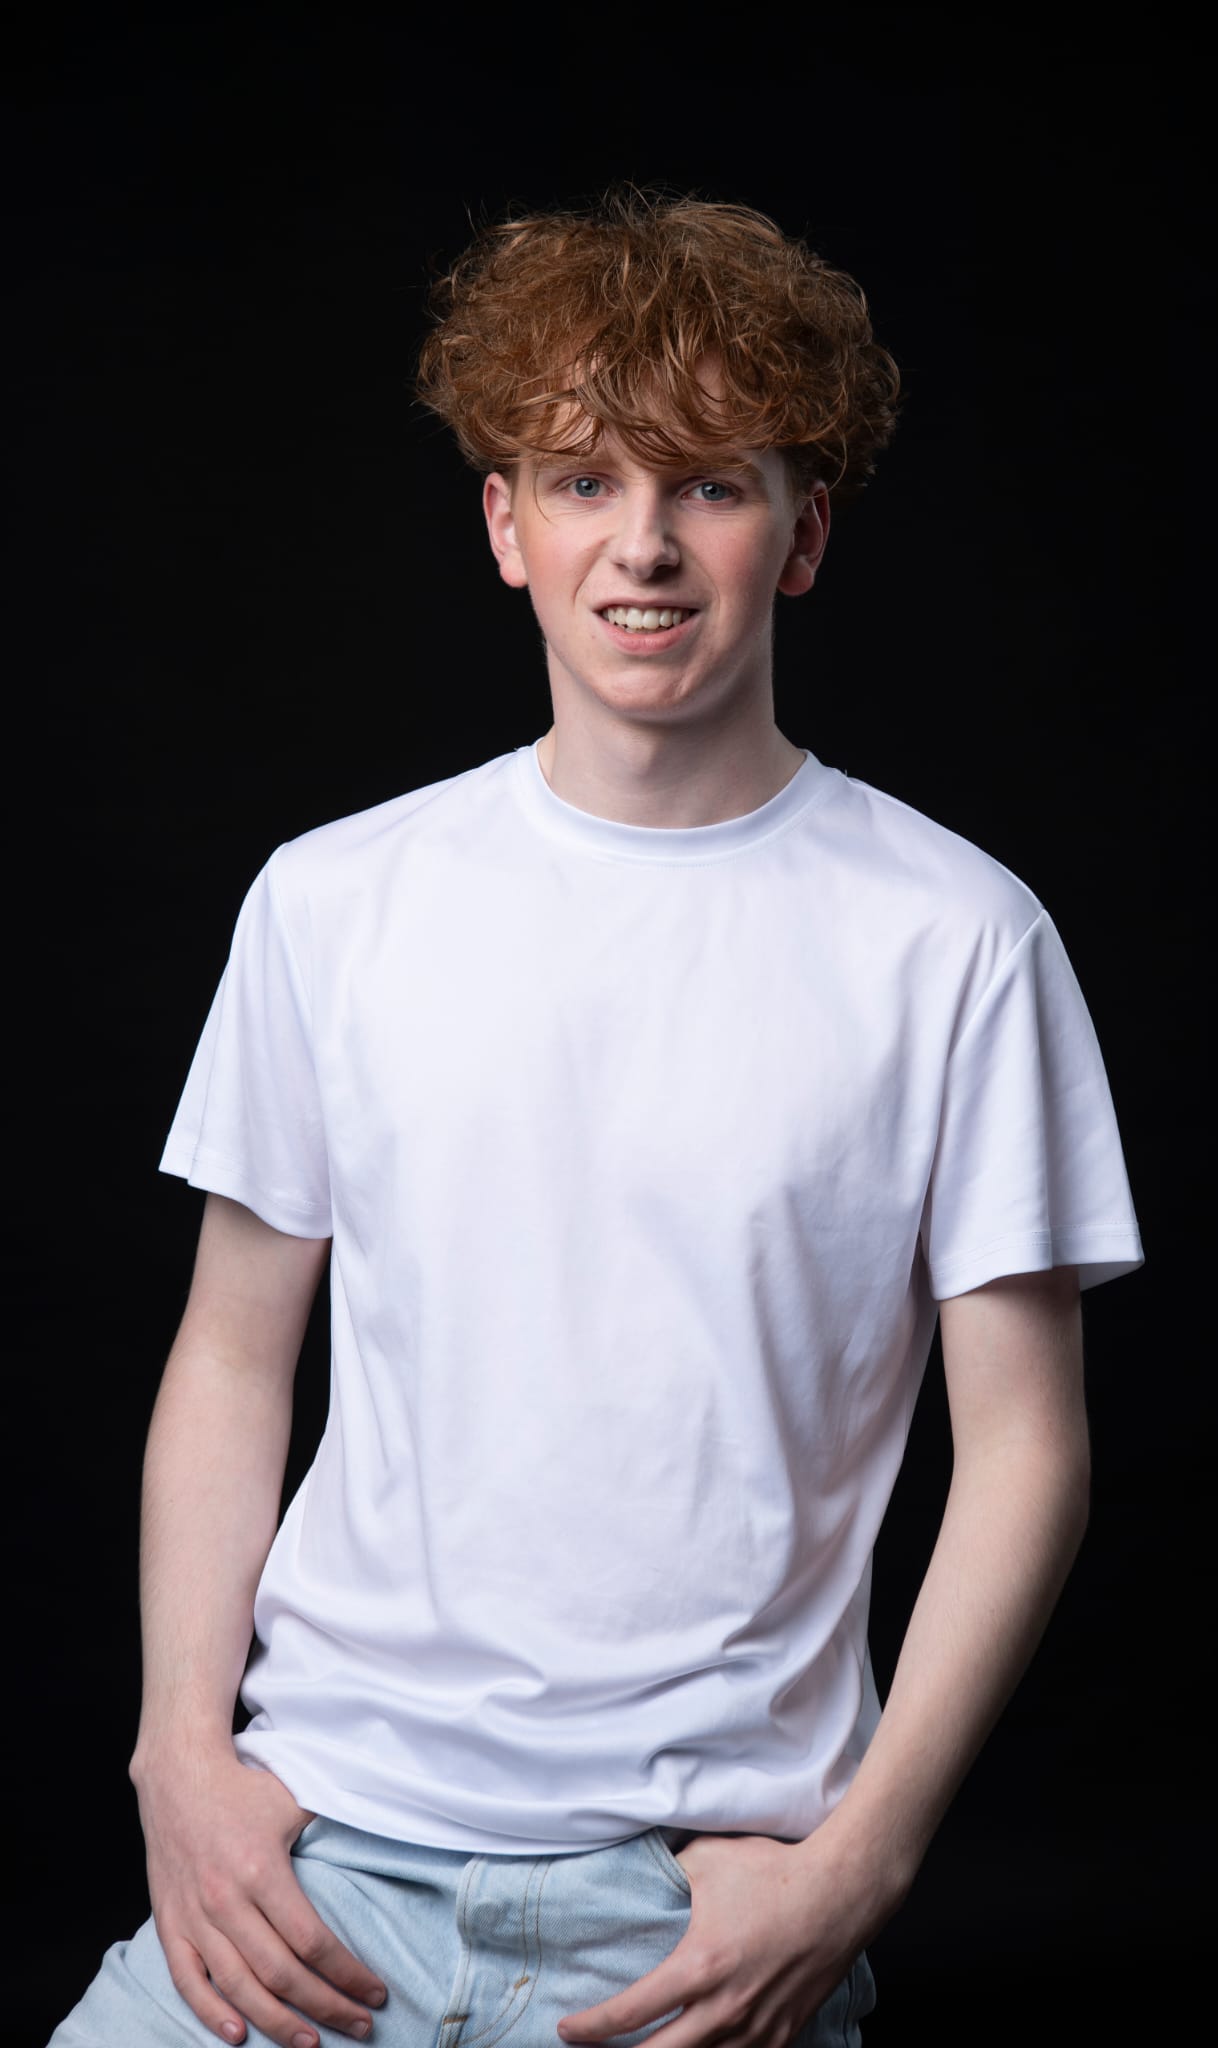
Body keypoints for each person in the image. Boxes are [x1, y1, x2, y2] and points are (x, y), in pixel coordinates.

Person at [52, 191, 1144, 2048]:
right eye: (582, 481)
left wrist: (860, 1864)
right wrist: (179, 1761)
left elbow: (1025, 1448)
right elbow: (234, 1355)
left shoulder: (957, 939)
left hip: (691, 1913)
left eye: (710, 485)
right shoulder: (333, 900)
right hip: (313, 1866)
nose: (642, 544)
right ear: (507, 527)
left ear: (802, 533)